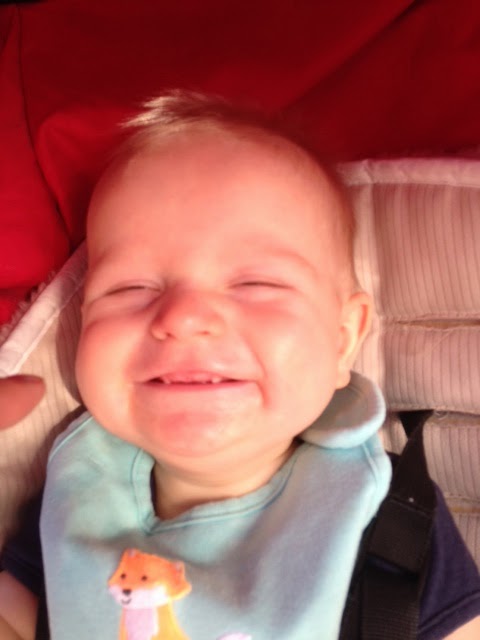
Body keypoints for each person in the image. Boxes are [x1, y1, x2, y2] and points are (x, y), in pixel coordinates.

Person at [0, 92, 479, 639]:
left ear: (342, 340)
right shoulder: (75, 498)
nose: (183, 317)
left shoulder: (388, 521)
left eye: (256, 283)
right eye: (130, 287)